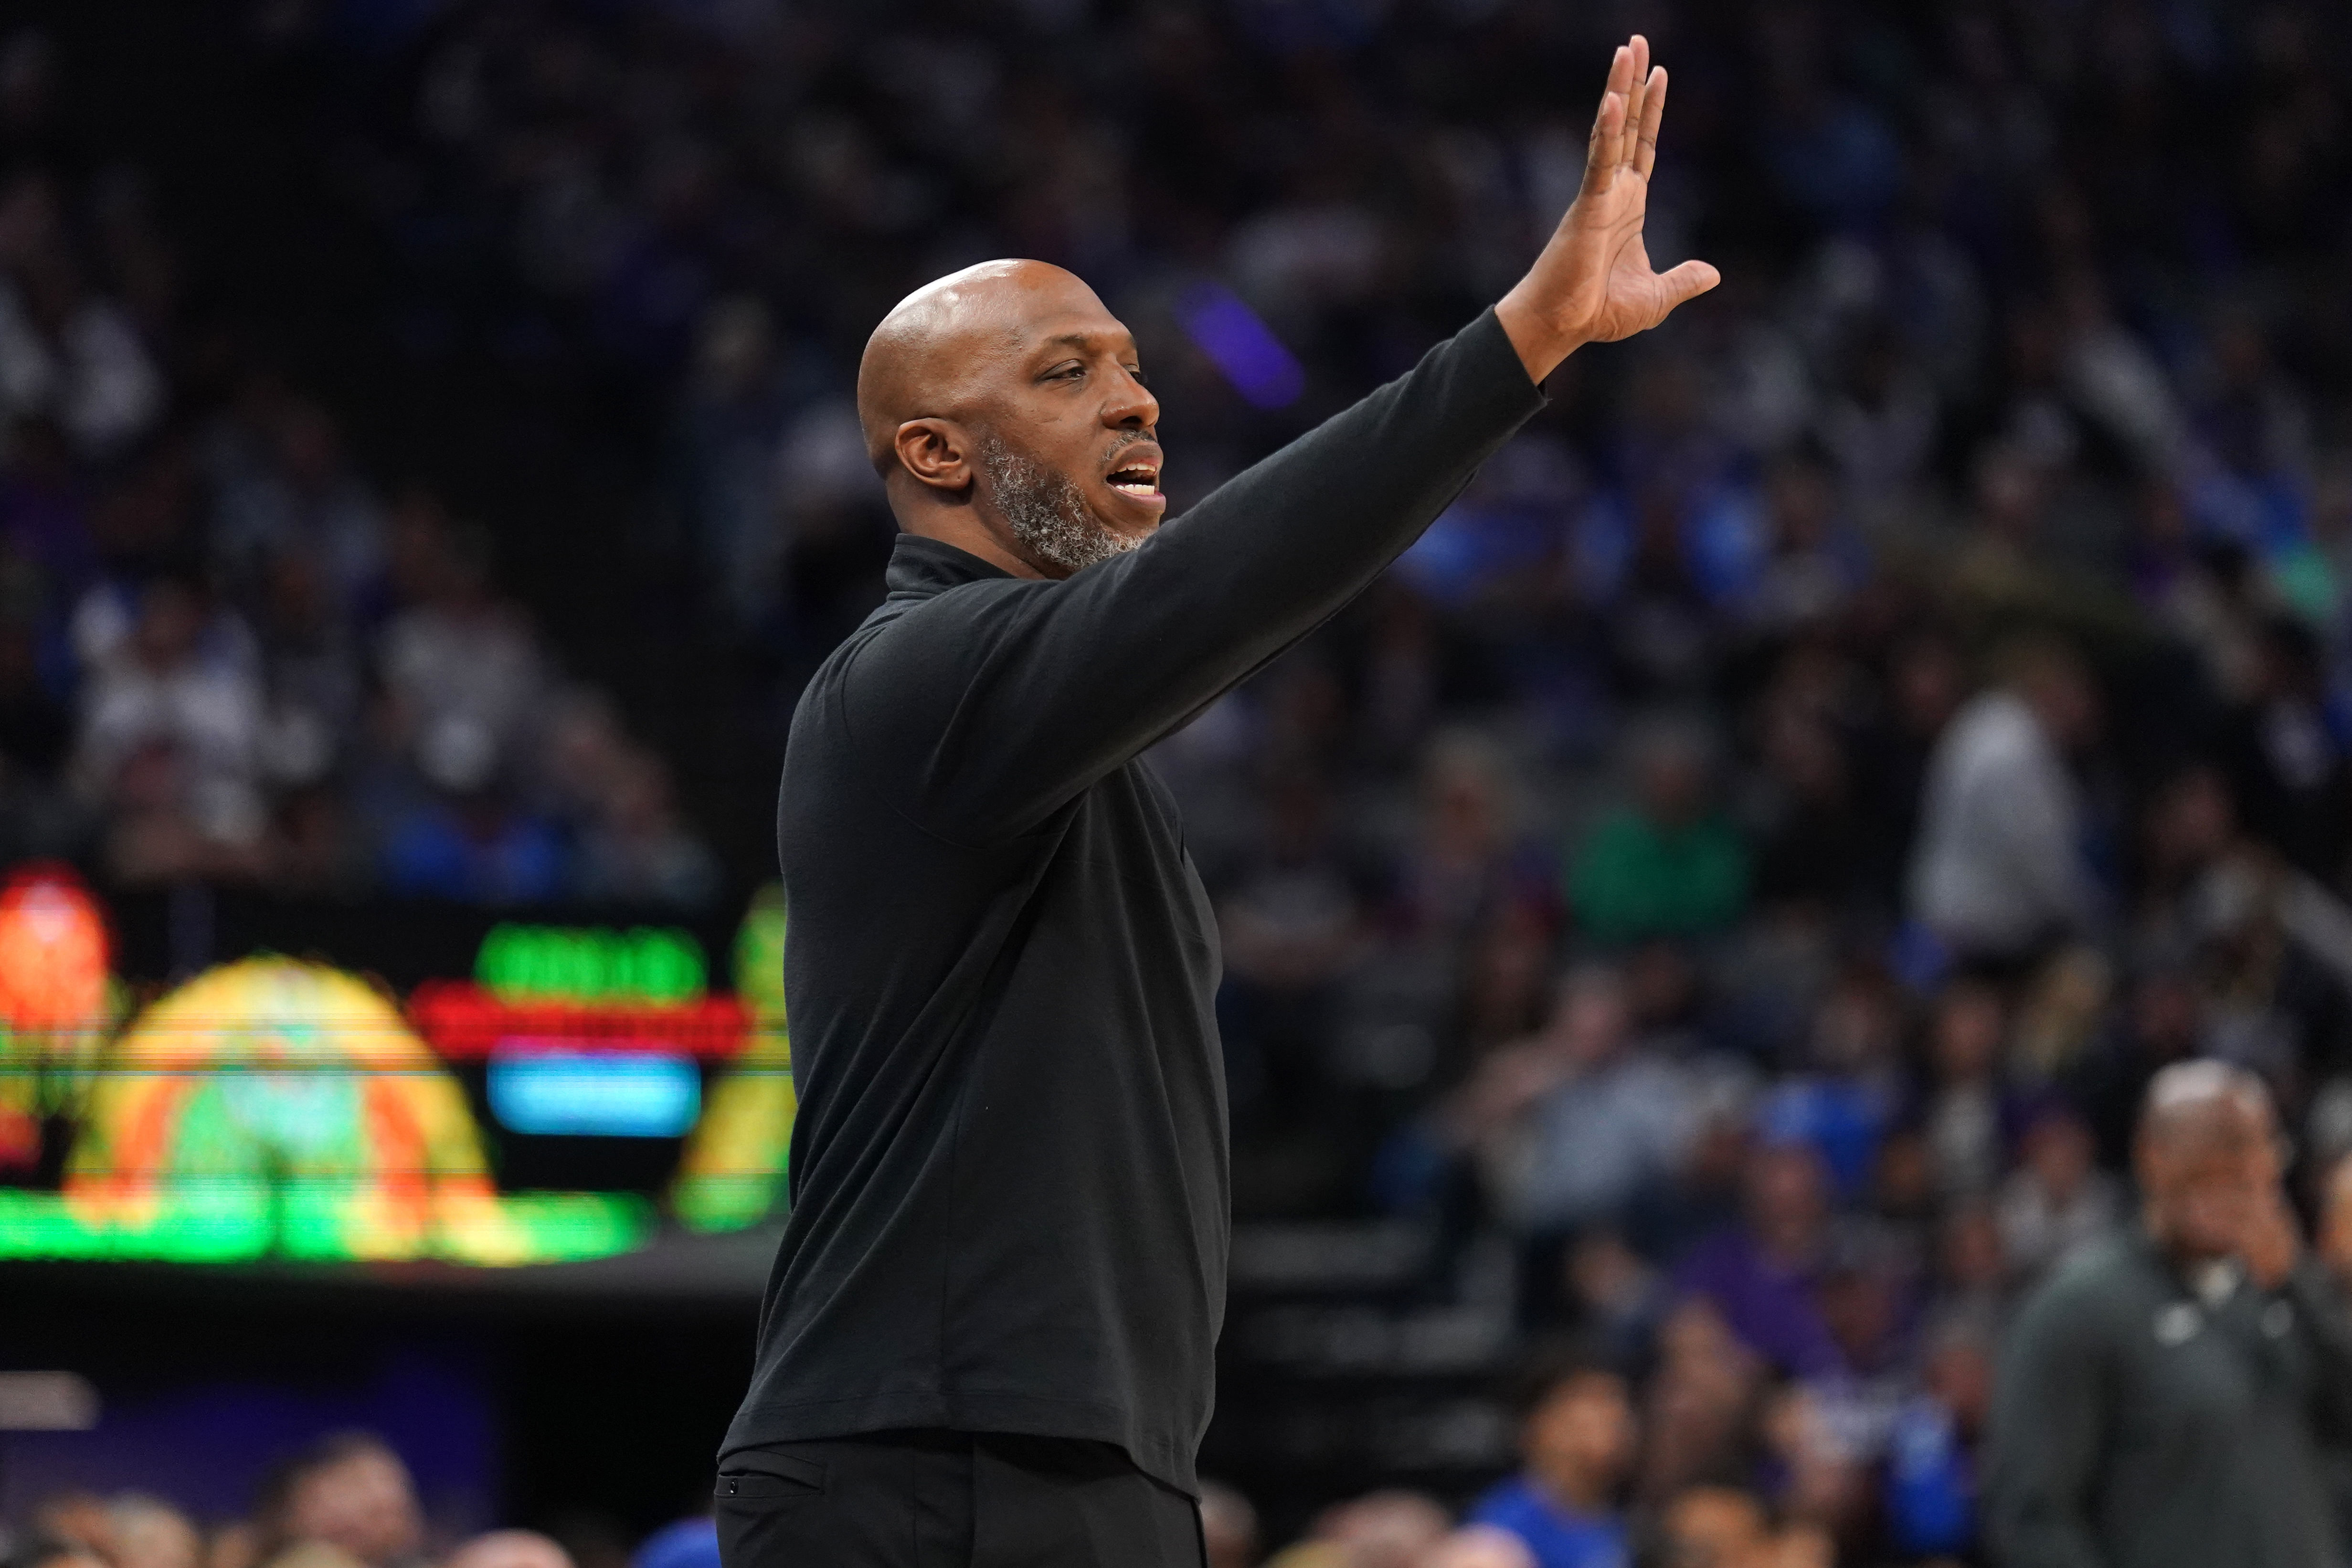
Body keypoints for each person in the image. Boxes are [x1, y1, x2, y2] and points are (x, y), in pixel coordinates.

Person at [713, 34, 1717, 1568]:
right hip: (923, 1463)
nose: (1137, 402)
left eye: (1131, 364)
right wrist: (1524, 336)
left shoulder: (1058, 744)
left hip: (1085, 1459)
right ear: (932, 450)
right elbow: (1232, 575)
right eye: (1066, 373)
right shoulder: (908, 683)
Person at [1986, 1060, 2352, 1568]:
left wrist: (2297, 1282)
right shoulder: (2078, 1308)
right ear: (2152, 1157)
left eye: (2250, 1150)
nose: (2232, 1174)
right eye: (2208, 1153)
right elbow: (2031, 1514)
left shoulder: (2292, 1299)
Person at [1466, 1360, 1636, 1568]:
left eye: (1617, 1403)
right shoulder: (1502, 1532)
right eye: (1592, 1404)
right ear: (1536, 1426)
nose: (1613, 1416)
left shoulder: (1628, 1516)